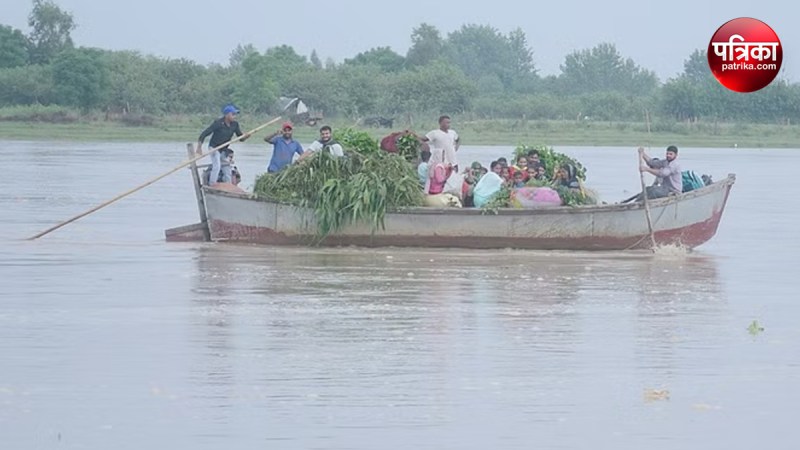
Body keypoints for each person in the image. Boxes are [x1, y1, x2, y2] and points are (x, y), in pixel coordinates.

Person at [196, 104, 251, 185]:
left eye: (235, 114)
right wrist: (199, 147)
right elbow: (204, 133)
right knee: (217, 166)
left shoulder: (235, 124)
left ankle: (228, 185)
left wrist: (246, 136)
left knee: (227, 167)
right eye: (233, 114)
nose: (234, 116)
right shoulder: (218, 123)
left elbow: (241, 138)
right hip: (214, 148)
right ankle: (212, 184)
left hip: (224, 149)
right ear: (227, 115)